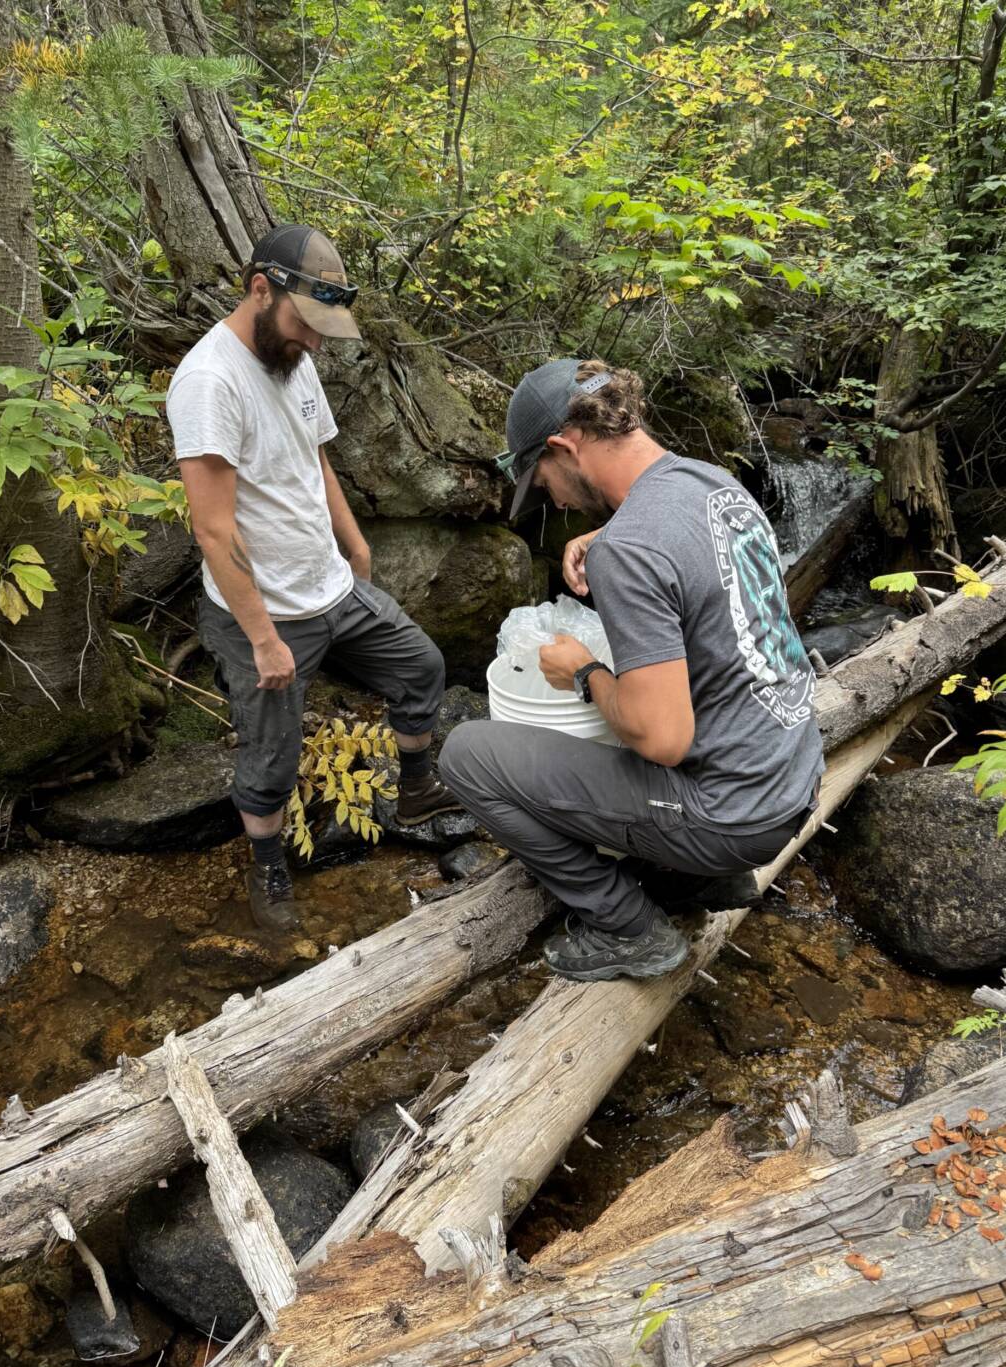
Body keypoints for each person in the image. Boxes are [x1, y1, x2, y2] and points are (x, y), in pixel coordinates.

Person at [439, 358, 824, 983]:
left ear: (564, 446)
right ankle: (706, 879)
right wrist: (611, 537)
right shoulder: (713, 484)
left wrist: (584, 669)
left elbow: (661, 739)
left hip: (732, 812)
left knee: (465, 754)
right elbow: (700, 584)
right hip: (791, 776)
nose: (553, 499)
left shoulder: (634, 548)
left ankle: (629, 927)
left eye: (543, 481)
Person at [167, 223, 460, 934]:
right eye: (308, 324)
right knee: (273, 758)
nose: (317, 342)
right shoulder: (210, 381)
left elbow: (314, 459)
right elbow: (213, 528)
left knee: (421, 667)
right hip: (265, 614)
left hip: (331, 584)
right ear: (260, 290)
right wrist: (264, 638)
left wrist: (354, 545)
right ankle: (268, 865)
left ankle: (417, 792)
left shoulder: (293, 356)